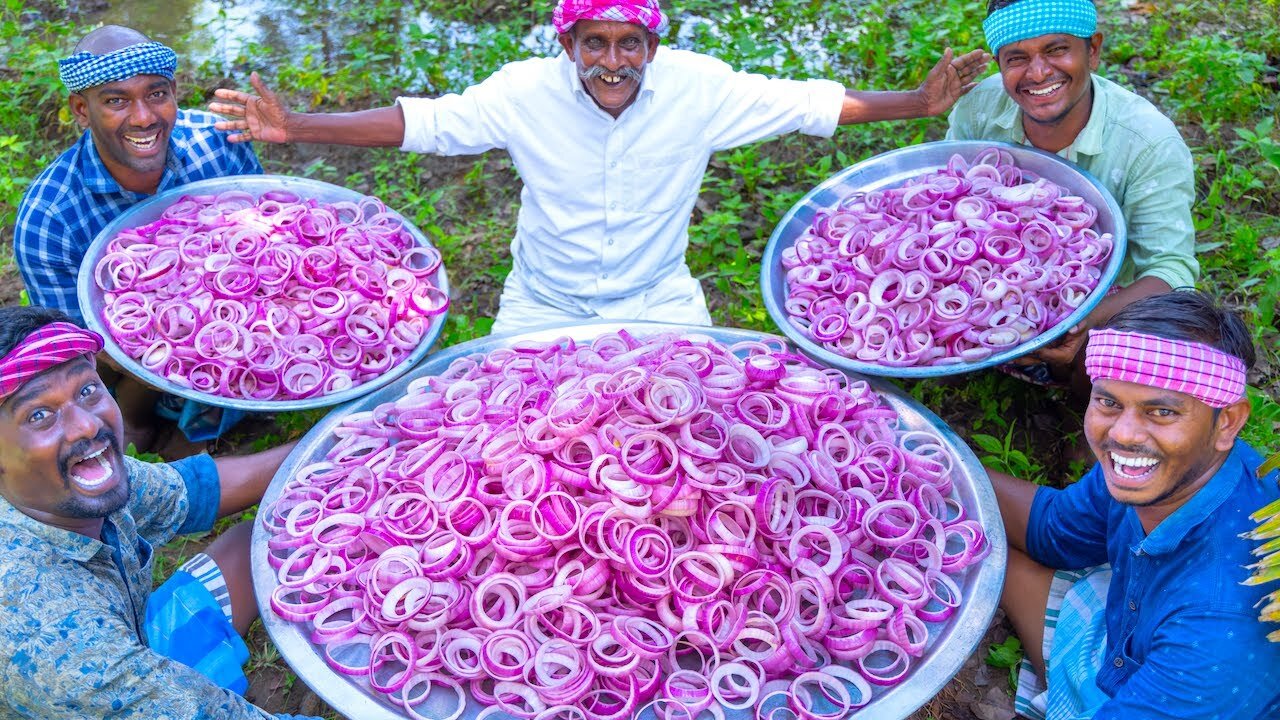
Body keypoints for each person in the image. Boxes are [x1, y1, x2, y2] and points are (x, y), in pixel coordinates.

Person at [208, 0, 990, 334]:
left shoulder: (702, 89)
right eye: (594, 44)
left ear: (653, 47)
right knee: (510, 448)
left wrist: (917, 105)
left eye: (628, 45)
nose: (612, 63)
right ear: (568, 45)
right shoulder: (524, 92)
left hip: (660, 299)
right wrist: (299, 126)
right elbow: (429, 123)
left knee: (694, 444)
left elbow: (816, 105)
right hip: (542, 304)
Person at [0, 305, 319, 720]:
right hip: (92, 682)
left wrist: (342, 438)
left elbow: (195, 490)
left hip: (126, 654)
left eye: (86, 391)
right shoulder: (63, 645)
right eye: (39, 415)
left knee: (264, 541)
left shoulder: (63, 481)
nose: (85, 426)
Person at [989, 290, 1280, 719]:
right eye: (1108, 402)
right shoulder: (1169, 467)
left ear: (1228, 422)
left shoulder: (1218, 625)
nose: (1123, 434)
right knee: (982, 545)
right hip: (1132, 648)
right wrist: (932, 460)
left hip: (1182, 689)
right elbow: (1055, 532)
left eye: (1160, 412)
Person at [14, 25, 264, 447]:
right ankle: (141, 414)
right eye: (116, 100)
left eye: (157, 94)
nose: (145, 117)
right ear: (80, 109)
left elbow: (266, 240)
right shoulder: (49, 219)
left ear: (174, 94)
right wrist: (179, 361)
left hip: (246, 295)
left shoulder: (219, 144)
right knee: (128, 413)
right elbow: (83, 344)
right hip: (130, 344)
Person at [946, 0, 1198, 387]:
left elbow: (1171, 271)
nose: (1039, 72)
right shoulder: (978, 108)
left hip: (1091, 294)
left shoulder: (1148, 142)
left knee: (1144, 337)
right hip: (983, 279)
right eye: (1016, 58)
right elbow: (946, 195)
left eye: (1056, 49)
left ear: (1092, 50)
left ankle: (1082, 418)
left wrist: (1077, 323)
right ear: (999, 64)